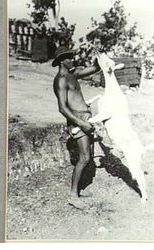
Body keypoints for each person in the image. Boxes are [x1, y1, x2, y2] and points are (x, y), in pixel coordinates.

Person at [52, 46, 100, 209]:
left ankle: (79, 189)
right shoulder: (61, 79)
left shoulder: (74, 74)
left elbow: (95, 68)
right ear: (61, 61)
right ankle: (73, 195)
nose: (72, 60)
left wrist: (98, 55)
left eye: (72, 57)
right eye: (69, 58)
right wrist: (81, 123)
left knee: (88, 156)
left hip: (85, 116)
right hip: (77, 120)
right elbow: (62, 107)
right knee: (85, 157)